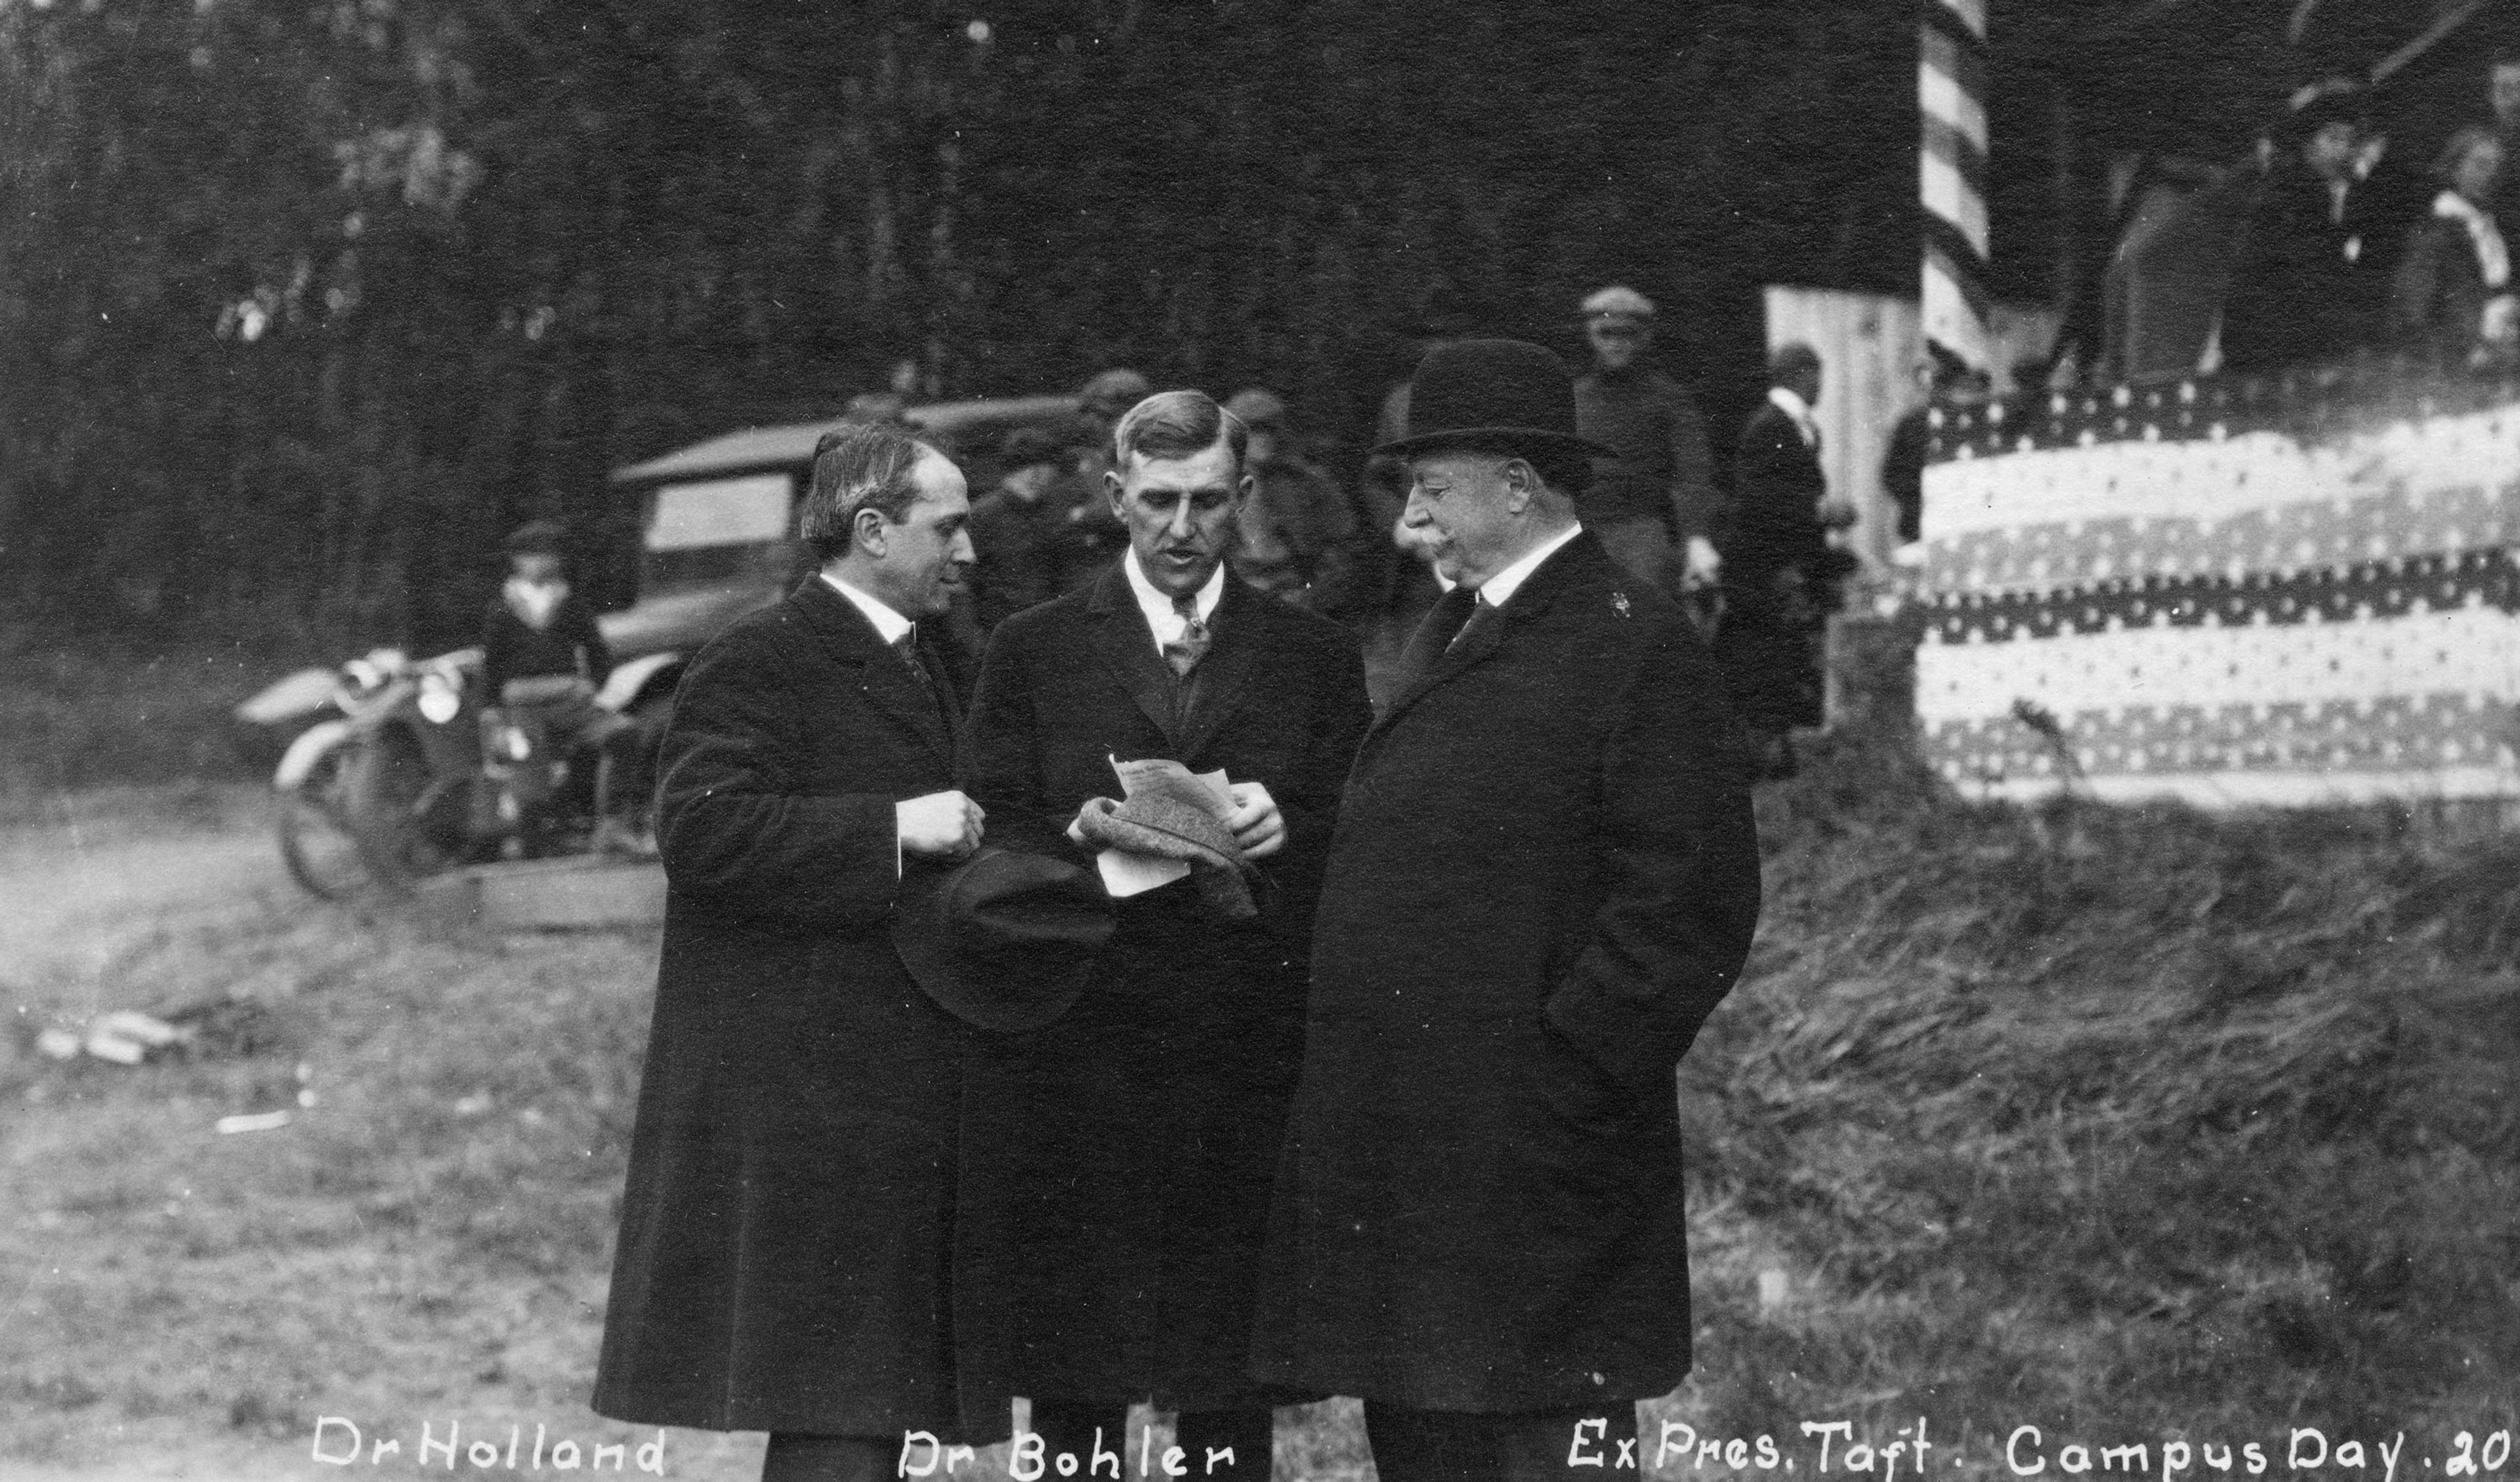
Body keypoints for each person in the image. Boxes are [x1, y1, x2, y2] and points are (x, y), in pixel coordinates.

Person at [1252, 339, 1762, 1482]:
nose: (1413, 517)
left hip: (1533, 1155)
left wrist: (1565, 1073)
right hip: (1421, 1145)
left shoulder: (1633, 640)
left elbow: (1690, 906)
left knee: (1540, 1440)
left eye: (1433, 486)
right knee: (1430, 1430)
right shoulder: (1455, 628)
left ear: (1519, 485)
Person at [956, 390, 1373, 1478]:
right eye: (1155, 502)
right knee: (1077, 1359)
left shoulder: (1311, 654)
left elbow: (1362, 824)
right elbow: (990, 826)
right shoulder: (1034, 649)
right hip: (1081, 1043)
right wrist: (1088, 841)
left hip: (1241, 1043)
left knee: (1222, 1363)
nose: (1181, 530)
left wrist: (1293, 823)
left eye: (1204, 503)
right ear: (1112, 498)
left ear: (1243, 496)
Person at [593, 421, 987, 1482]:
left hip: (887, 1091)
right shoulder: (757, 656)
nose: (968, 551)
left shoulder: (932, 656)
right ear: (871, 530)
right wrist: (896, 827)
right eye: (948, 527)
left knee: (869, 1399)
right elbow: (705, 833)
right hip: (808, 1101)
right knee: (838, 1409)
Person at [2220, 82, 2412, 373]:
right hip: (2273, 351)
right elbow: (2305, 281)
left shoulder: (2331, 195)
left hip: (2296, 347)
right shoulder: (2287, 196)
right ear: (2308, 141)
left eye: (2348, 141)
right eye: (2332, 138)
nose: (2342, 150)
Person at [1569, 286, 1722, 598]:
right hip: (1580, 537)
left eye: (1626, 335)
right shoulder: (1575, 398)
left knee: (1644, 632)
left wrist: (1697, 539)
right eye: (1606, 334)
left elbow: (1694, 474)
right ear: (1591, 336)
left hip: (1642, 535)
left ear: (1644, 338)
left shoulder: (1668, 399)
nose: (1615, 344)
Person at [1221, 386, 1362, 613]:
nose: (1262, 439)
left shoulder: (1309, 482)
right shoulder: (1217, 487)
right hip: (1239, 597)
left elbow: (1343, 547)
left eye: (1269, 429)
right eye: (1253, 430)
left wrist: (1314, 596)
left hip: (1300, 592)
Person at [2390, 126, 2517, 366]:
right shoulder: (2435, 232)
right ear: (2454, 168)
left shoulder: (2490, 224)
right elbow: (2414, 312)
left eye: (2495, 167)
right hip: (2463, 358)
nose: (2489, 175)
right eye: (2480, 165)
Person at [1047, 366, 1153, 592]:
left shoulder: (1154, 457)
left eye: (1109, 417)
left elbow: (1140, 512)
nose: (1101, 425)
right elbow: (1056, 519)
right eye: (1101, 417)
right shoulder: (1083, 459)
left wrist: (1085, 515)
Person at [966, 424, 1072, 632]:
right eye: (1022, 467)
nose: (1034, 476)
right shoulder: (982, 515)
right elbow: (962, 586)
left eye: (1042, 469)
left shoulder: (1053, 513)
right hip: (997, 633)